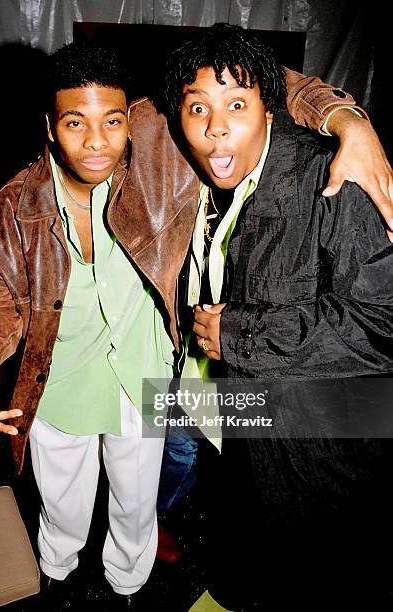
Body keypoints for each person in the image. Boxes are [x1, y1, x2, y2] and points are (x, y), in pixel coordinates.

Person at [0, 33, 393, 609]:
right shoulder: (11, 211)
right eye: (74, 124)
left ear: (131, 118)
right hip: (63, 391)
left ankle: (132, 581)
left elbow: (254, 82)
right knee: (66, 509)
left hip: (154, 379)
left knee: (142, 496)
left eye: (112, 122)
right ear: (49, 127)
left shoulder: (161, 140)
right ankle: (59, 574)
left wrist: (349, 120)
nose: (97, 141)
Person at [160, 23, 393, 610]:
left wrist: (240, 334)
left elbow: (384, 326)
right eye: (198, 108)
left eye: (237, 105)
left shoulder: (333, 180)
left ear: (272, 111)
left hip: (325, 450)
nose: (216, 127)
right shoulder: (209, 181)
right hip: (243, 422)